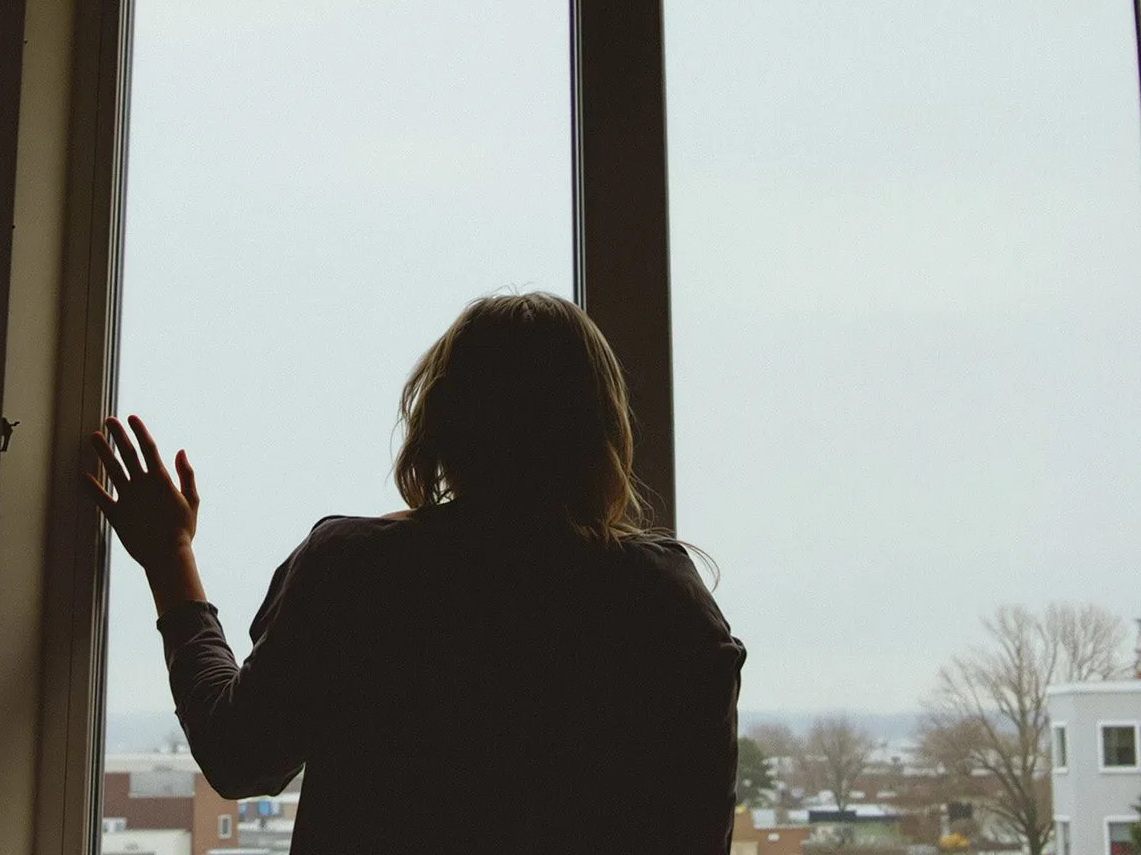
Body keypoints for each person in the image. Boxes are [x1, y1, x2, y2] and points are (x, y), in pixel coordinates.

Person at [86, 291, 745, 853]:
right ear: (601, 433)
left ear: (443, 426)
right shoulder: (668, 603)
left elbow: (241, 756)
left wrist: (171, 558)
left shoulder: (359, 571)